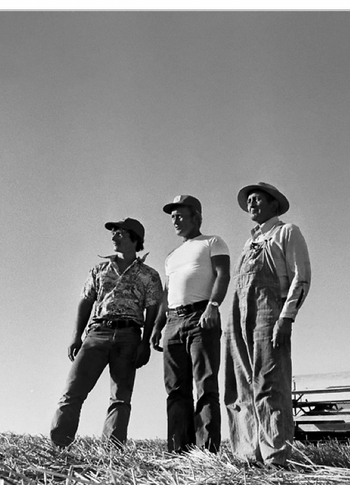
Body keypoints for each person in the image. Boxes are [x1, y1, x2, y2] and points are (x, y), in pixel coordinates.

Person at [49, 218, 162, 448]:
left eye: (119, 233)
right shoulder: (98, 270)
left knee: (120, 398)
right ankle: (59, 445)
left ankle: (112, 452)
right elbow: (85, 302)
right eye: (113, 233)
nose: (113, 237)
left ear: (134, 239)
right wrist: (76, 336)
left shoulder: (149, 275)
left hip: (129, 337)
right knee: (73, 391)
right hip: (97, 333)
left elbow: (153, 309)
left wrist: (145, 342)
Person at [224, 182, 311, 468]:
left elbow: (301, 277)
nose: (252, 204)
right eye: (249, 200)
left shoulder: (287, 232)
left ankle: (276, 457)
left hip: (269, 313)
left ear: (274, 204)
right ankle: (249, 455)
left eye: (258, 199)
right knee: (242, 386)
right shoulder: (249, 242)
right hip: (239, 316)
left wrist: (286, 317)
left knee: (270, 383)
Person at [151, 195, 230, 454]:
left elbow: (222, 275)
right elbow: (166, 293)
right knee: (175, 389)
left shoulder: (212, 242)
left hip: (201, 316)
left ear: (197, 216)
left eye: (180, 215)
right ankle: (178, 450)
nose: (175, 220)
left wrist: (213, 307)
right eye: (172, 216)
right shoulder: (171, 256)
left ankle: (206, 452)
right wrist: (157, 326)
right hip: (173, 320)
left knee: (205, 385)